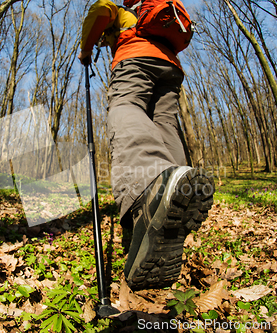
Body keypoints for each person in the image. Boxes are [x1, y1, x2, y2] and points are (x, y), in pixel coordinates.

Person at [79, 0, 214, 291]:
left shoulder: (125, 9)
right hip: (171, 66)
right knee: (165, 124)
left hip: (135, 58)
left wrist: (86, 49)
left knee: (126, 106)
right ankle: (178, 182)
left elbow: (100, 10)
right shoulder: (154, 13)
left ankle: (153, 192)